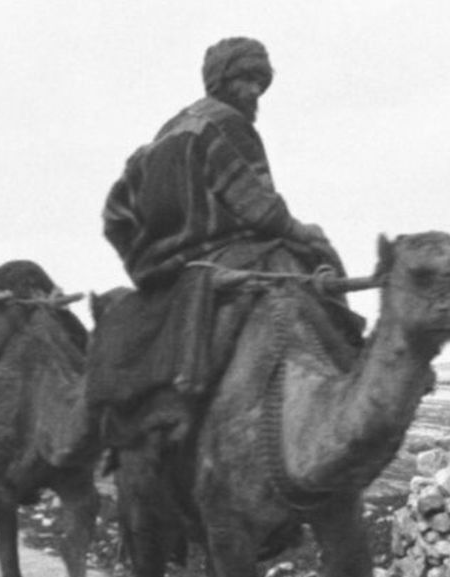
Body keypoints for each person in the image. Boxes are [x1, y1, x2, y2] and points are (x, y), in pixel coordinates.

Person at [88, 36, 361, 454]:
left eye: (259, 81)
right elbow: (259, 207)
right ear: (220, 80)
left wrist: (144, 257)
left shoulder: (165, 133)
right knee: (316, 248)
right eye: (245, 79)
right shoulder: (228, 124)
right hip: (230, 251)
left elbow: (115, 215)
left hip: (168, 266)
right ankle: (354, 359)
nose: (254, 91)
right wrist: (300, 231)